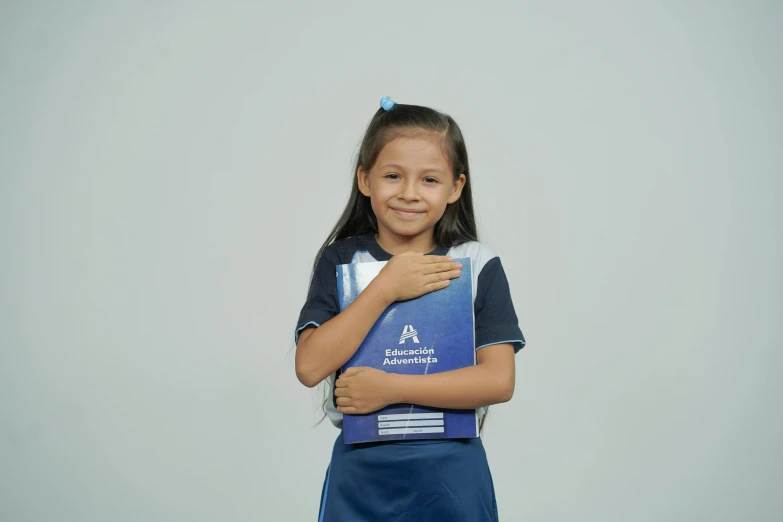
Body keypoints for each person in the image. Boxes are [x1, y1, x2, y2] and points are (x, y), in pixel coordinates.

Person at [294, 96, 526, 522]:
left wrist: (392, 389)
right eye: (393, 175)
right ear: (365, 179)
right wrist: (384, 287)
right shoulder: (342, 261)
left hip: (452, 472)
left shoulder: (475, 262)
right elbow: (310, 366)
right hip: (361, 472)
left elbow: (498, 380)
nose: (409, 193)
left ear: (456, 187)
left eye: (429, 180)